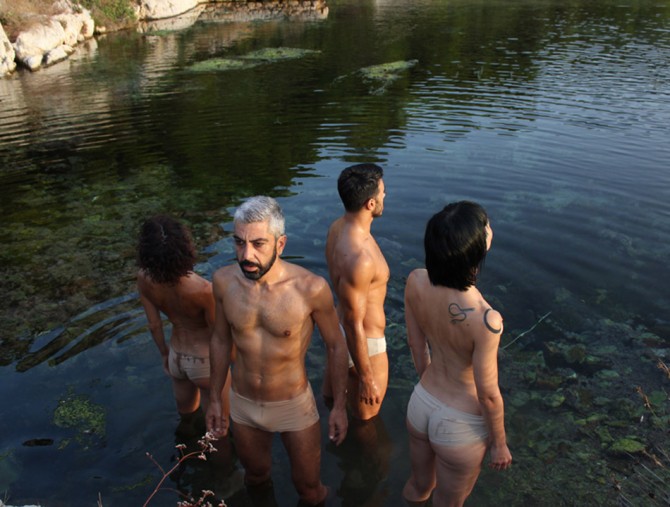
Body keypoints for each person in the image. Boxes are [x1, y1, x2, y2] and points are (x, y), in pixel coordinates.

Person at [206, 196, 349, 506]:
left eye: (258, 244)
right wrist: (215, 398)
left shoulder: (310, 288)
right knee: (255, 477)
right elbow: (219, 340)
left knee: (309, 490)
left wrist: (339, 405)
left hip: (292, 404)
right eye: (239, 242)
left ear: (280, 244)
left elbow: (336, 345)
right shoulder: (223, 282)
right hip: (243, 403)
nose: (246, 254)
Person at [403, 201, 512, 506]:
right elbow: (488, 395)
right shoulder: (487, 320)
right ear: (476, 248)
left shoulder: (416, 280)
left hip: (421, 402)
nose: (490, 228)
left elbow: (416, 345)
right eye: (486, 226)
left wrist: (428, 384)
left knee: (418, 487)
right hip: (460, 425)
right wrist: (499, 444)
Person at [137, 215, 231, 432]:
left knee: (186, 418)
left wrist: (164, 354)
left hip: (176, 357)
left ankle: (186, 446)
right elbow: (219, 337)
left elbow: (154, 325)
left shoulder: (143, 279)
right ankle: (222, 456)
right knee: (218, 429)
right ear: (185, 247)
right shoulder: (204, 290)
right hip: (204, 362)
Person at [323, 163, 389, 421]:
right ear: (370, 204)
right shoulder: (361, 259)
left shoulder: (336, 228)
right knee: (367, 424)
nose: (385, 195)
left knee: (331, 400)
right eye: (382, 192)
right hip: (366, 344)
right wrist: (366, 377)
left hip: (338, 331)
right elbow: (354, 323)